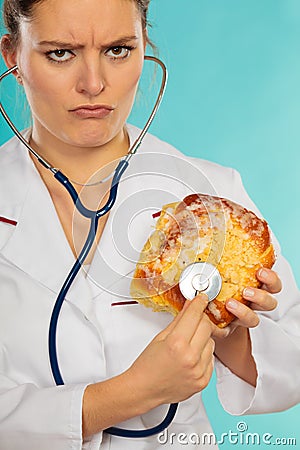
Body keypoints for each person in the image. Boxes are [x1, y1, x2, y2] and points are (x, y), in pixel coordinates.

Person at [0, 0, 299, 449]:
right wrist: (130, 394)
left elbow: (293, 369)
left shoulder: (213, 200)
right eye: (61, 53)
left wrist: (231, 336)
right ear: (13, 56)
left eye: (118, 50)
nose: (94, 83)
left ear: (145, 48)